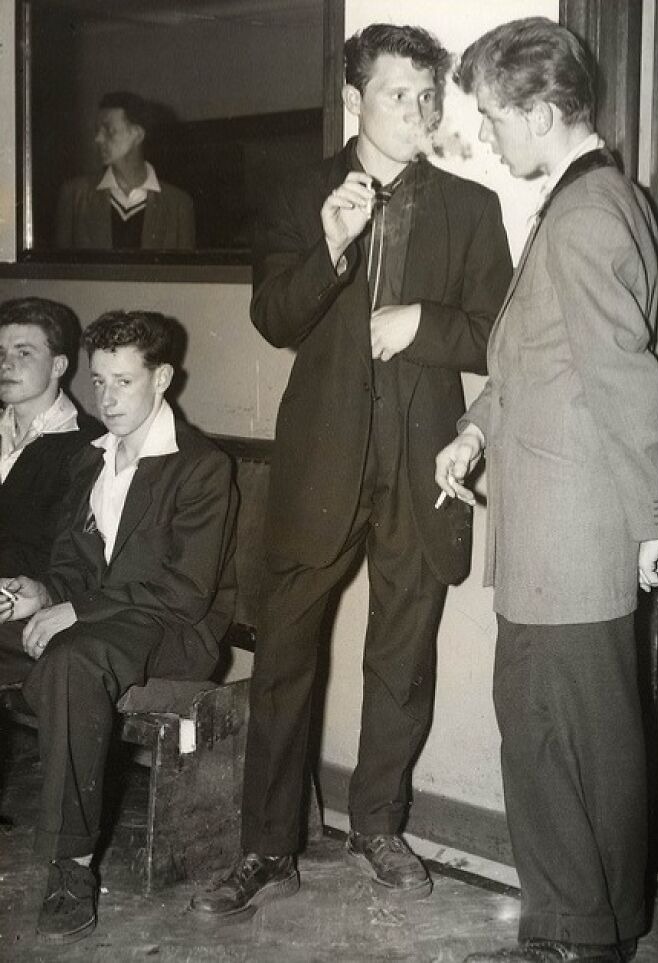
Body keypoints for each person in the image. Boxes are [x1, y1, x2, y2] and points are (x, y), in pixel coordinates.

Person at [190, 23, 512, 921]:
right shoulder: (299, 193)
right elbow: (275, 320)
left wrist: (425, 325)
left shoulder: (471, 206)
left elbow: (499, 333)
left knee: (402, 659)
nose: (416, 110)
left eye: (426, 94)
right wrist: (330, 250)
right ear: (354, 99)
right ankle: (267, 846)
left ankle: (379, 824)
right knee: (286, 656)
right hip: (320, 468)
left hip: (422, 469)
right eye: (397, 93)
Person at [435, 17, 658, 963]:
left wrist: (654, 519)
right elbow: (542, 359)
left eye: (494, 118)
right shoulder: (597, 198)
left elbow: (628, 378)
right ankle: (585, 924)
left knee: (557, 736)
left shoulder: (583, 215)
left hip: (572, 533)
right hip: (555, 525)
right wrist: (474, 427)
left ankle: (578, 937)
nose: (488, 137)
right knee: (570, 730)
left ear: (541, 113)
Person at [0, 310, 237, 945]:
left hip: (170, 630)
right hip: (101, 621)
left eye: (123, 382)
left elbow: (184, 592)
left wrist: (74, 610)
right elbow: (74, 566)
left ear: (162, 379)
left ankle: (71, 868)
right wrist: (41, 594)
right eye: (98, 381)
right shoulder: (91, 459)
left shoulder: (199, 466)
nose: (106, 398)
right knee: (55, 643)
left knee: (72, 661)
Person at [0, 297, 99, 578]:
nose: (6, 365)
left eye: (23, 353)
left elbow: (64, 558)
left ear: (58, 366)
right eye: (0, 352)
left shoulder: (89, 445)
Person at [55, 91, 195, 250]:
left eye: (108, 130)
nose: (98, 139)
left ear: (137, 134)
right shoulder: (74, 196)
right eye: (97, 131)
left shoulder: (178, 204)